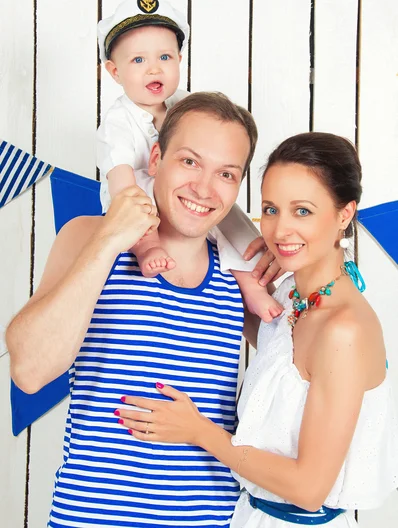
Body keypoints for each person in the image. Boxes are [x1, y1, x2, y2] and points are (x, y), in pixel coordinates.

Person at [7, 92, 279, 528]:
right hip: (91, 517)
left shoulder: (241, 275)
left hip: (209, 519)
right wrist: (108, 238)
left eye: (225, 173)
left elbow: (308, 371)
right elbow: (31, 370)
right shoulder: (89, 236)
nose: (204, 189)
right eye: (189, 162)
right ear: (155, 159)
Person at [119, 132, 398, 527]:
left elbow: (308, 488)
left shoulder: (342, 330)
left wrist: (198, 431)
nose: (280, 230)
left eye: (302, 211)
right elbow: (218, 214)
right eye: (270, 209)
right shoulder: (290, 295)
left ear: (344, 215)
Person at [97, 0, 282, 321]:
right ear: (114, 71)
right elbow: (122, 184)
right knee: (140, 188)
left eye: (165, 57)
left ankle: (256, 269)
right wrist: (146, 233)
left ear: (180, 61)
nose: (154, 68)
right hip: (136, 198)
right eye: (138, 60)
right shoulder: (117, 121)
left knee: (222, 203)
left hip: (180, 199)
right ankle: (146, 249)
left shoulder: (186, 105)